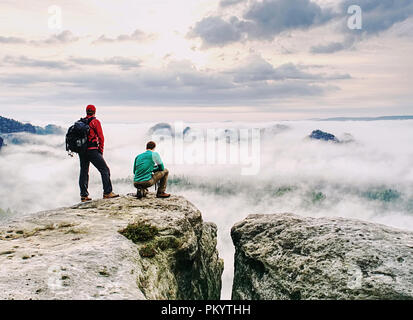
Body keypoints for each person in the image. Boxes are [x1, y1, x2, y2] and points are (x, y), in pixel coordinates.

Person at [79, 105, 119, 202]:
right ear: (94, 111)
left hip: (82, 151)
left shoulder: (80, 122)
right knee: (105, 170)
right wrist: (100, 151)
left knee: (84, 172)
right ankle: (107, 192)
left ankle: (84, 196)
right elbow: (101, 137)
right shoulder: (95, 122)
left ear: (86, 111)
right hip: (92, 150)